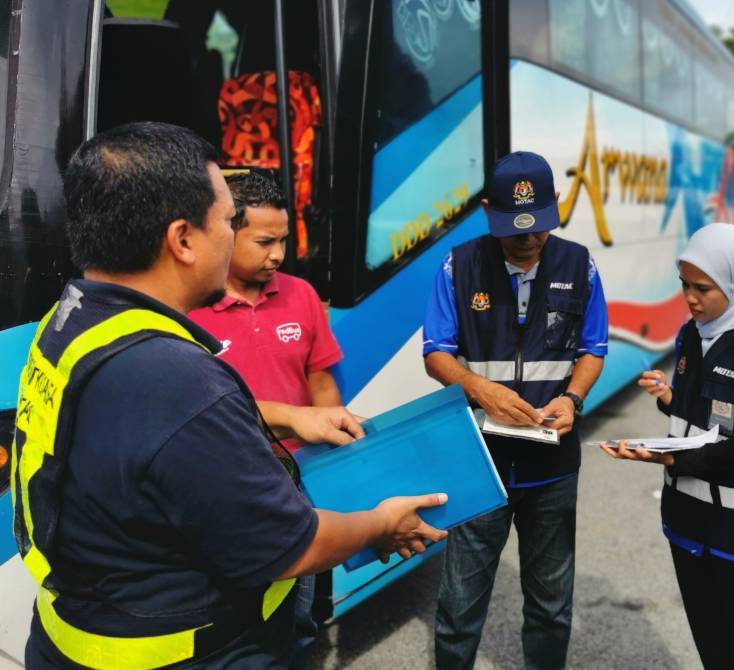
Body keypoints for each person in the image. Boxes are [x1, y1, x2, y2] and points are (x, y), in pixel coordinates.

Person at [11, 122, 447, 669]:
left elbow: (151, 444)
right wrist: (382, 523)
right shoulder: (177, 380)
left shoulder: (71, 322)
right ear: (183, 239)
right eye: (227, 221)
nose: (235, 237)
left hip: (70, 639)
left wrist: (290, 417)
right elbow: (291, 546)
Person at [424, 151, 608, 669]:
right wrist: (477, 388)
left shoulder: (580, 265)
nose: (528, 241)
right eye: (514, 231)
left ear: (555, 206)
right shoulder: (458, 266)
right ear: (487, 210)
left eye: (538, 227)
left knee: (551, 605)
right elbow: (435, 352)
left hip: (552, 467)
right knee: (459, 607)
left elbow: (593, 348)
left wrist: (572, 399)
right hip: (479, 463)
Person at [601, 222, 734, 670]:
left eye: (702, 288)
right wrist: (667, 396)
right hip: (686, 520)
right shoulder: (691, 334)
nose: (690, 298)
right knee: (710, 641)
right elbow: (695, 414)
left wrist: (668, 457)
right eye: (684, 284)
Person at [188, 170, 345, 639]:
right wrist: (293, 418)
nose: (277, 254)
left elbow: (321, 384)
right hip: (227, 483)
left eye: (283, 240)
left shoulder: (301, 295)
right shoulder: (189, 306)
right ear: (224, 232)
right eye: (264, 242)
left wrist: (336, 462)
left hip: (298, 479)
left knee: (299, 609)